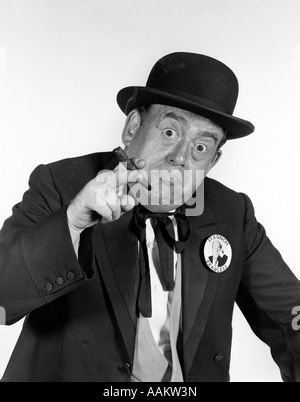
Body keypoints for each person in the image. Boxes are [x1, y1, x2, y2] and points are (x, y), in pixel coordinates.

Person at [0, 52, 300, 382]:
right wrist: (71, 223)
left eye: (201, 147)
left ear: (213, 162)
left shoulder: (232, 213)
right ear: (132, 129)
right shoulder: (62, 184)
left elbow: (291, 315)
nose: (181, 158)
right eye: (170, 132)